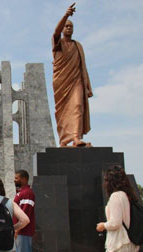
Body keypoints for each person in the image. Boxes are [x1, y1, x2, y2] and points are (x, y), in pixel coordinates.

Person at [52, 3, 93, 147]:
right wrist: (66, 15)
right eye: (66, 26)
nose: (69, 28)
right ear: (63, 28)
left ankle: (76, 137)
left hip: (76, 80)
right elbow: (55, 33)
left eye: (71, 26)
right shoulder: (58, 44)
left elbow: (83, 67)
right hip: (61, 82)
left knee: (77, 105)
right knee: (62, 111)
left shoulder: (78, 46)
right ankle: (64, 139)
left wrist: (88, 86)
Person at [13, 170, 36, 252]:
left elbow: (25, 214)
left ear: (24, 179)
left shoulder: (27, 194)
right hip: (19, 232)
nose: (15, 180)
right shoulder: (21, 193)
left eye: (17, 178)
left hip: (24, 232)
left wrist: (18, 229)